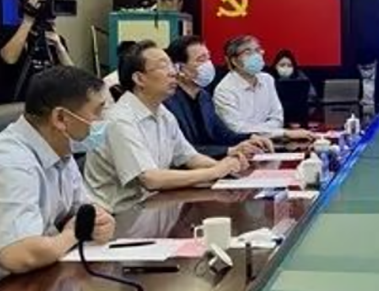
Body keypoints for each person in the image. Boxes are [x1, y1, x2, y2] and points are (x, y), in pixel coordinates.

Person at [0, 66, 115, 291]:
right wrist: (74, 233)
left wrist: (99, 221)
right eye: (97, 112)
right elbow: (21, 254)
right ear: (60, 118)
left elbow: (83, 210)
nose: (103, 121)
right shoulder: (6, 163)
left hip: (32, 284)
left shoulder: (60, 149)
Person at [83, 40, 247, 212]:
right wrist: (215, 172)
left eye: (171, 65)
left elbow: (189, 157)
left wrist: (228, 169)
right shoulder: (119, 120)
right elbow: (150, 179)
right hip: (117, 216)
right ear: (139, 79)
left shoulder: (163, 113)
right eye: (163, 66)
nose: (173, 73)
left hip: (152, 207)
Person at [164, 35, 273, 159]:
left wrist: (250, 138)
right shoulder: (168, 101)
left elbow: (221, 133)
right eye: (201, 60)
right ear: (179, 68)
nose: (208, 64)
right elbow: (182, 149)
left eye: (208, 58)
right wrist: (228, 150)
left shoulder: (204, 96)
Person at [213, 36, 314, 141]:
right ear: (234, 61)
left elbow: (277, 119)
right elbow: (237, 129)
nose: (255, 56)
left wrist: (262, 131)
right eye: (248, 52)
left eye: (257, 50)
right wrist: (283, 133)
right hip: (241, 145)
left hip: (270, 142)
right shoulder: (224, 90)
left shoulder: (267, 80)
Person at [0, 0, 74, 101]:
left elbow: (72, 76)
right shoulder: (12, 34)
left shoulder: (56, 39)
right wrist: (28, 20)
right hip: (19, 101)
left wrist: (59, 47)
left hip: (48, 101)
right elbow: (9, 58)